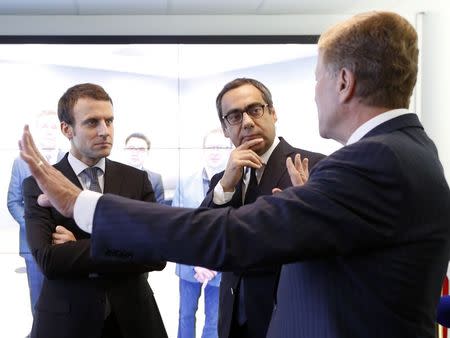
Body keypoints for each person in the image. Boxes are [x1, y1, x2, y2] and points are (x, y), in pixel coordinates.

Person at [20, 11, 450, 338]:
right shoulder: (397, 153)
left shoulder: (370, 163)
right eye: (233, 116)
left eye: (316, 79)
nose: (314, 92)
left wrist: (81, 206)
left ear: (343, 82)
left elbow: (230, 236)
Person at [22, 83, 167, 338]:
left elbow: (156, 255)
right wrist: (129, 244)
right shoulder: (39, 183)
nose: (105, 131)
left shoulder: (137, 180)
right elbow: (48, 259)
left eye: (109, 121)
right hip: (67, 321)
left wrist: (81, 243)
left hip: (134, 320)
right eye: (92, 122)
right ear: (67, 129)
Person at [199, 78, 324, 338]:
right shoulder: (221, 180)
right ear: (224, 128)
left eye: (255, 110)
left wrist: (306, 207)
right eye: (234, 116)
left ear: (273, 112)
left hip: (288, 317)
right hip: (233, 320)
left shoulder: (314, 166)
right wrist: (225, 187)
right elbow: (206, 244)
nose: (246, 122)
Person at [173, 128, 231, 338]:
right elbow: (178, 226)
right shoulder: (184, 182)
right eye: (210, 146)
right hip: (189, 266)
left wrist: (213, 264)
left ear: (229, 149)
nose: (215, 152)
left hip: (221, 267)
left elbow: (233, 229)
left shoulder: (236, 184)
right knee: (185, 316)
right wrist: (198, 262)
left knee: (215, 320)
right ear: (203, 150)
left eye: (220, 147)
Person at [7, 109, 64, 322]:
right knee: (38, 299)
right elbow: (13, 201)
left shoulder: (71, 159)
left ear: (61, 129)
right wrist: (34, 225)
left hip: (65, 242)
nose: (49, 132)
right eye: (44, 127)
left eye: (53, 126)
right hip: (33, 245)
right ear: (36, 131)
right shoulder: (21, 162)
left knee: (67, 297)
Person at [124, 132, 165, 204]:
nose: (135, 153)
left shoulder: (156, 179)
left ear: (147, 152)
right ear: (124, 150)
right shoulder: (111, 175)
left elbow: (160, 209)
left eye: (141, 149)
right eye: (131, 148)